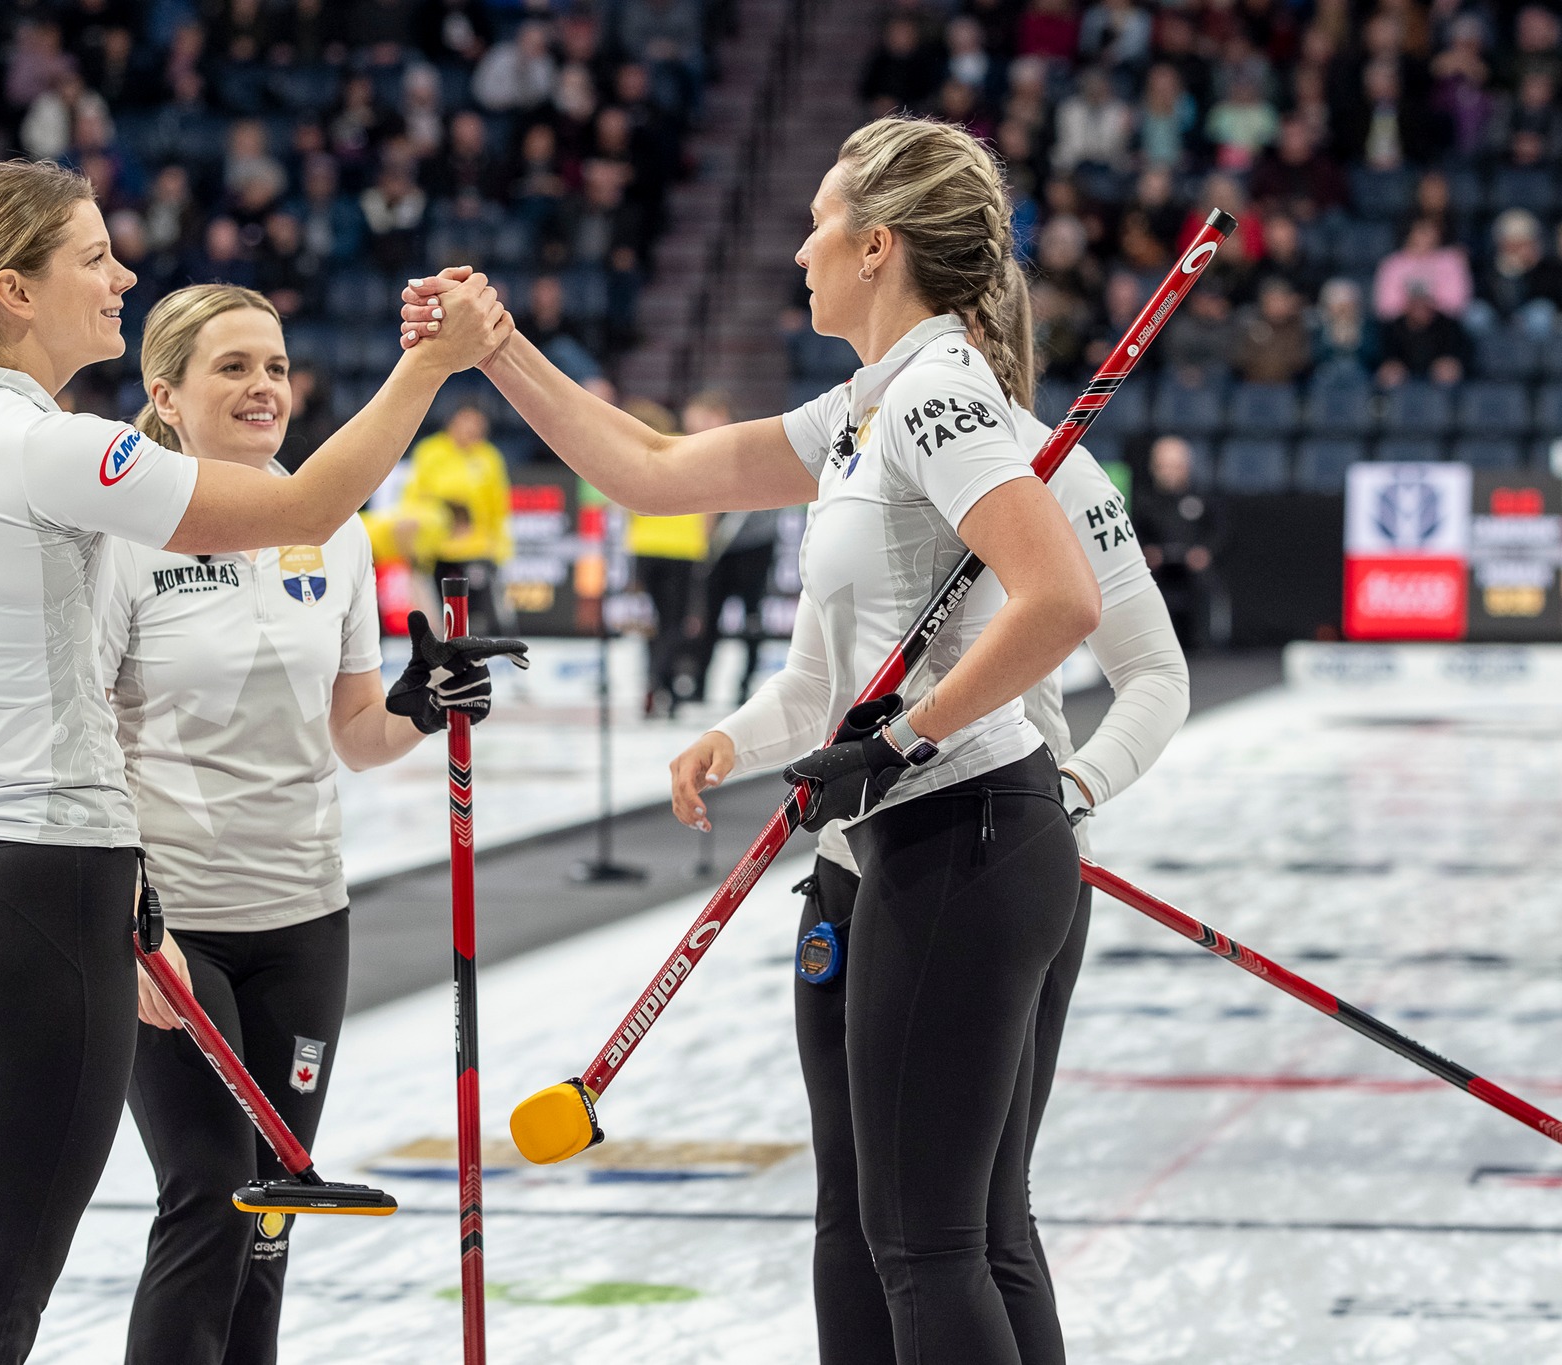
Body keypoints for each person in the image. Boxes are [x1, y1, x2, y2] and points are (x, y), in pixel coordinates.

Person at [0, 159, 509, 1365]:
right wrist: (427, 369)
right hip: (50, 889)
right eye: (94, 257)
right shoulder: (49, 446)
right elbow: (299, 510)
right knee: (10, 1288)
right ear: (16, 290)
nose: (121, 275)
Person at [404, 115, 1102, 1363]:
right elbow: (653, 468)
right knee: (937, 1240)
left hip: (965, 834)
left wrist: (898, 743)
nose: (797, 249)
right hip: (945, 842)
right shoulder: (868, 406)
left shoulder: (937, 397)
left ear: (875, 246)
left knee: (927, 1249)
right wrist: (495, 347)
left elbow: (1060, 600)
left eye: (818, 221)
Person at [672, 293, 1190, 1363]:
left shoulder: (1052, 466)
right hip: (851, 856)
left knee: (969, 1227)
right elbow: (824, 683)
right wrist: (731, 738)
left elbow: (1153, 672)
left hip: (982, 834)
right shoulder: (860, 441)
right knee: (856, 1213)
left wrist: (1074, 790)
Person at [101, 284, 526, 1365]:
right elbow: (81, 737)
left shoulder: (331, 528)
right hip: (172, 926)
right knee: (211, 1196)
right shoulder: (121, 532)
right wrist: (125, 914)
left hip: (301, 917)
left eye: (276, 367)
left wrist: (421, 708)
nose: (263, 388)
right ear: (165, 394)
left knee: (272, 1219)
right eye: (232, 367)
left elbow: (354, 731)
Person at [687, 390, 781, 704]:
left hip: (755, 545)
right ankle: (699, 685)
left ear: (722, 416)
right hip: (719, 551)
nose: (696, 427)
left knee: (752, 617)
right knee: (709, 617)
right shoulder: (697, 451)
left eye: (704, 418)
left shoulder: (745, 444)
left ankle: (745, 684)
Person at [622, 398, 711, 717]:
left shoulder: (634, 454)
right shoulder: (686, 447)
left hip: (645, 547)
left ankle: (663, 687)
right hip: (681, 549)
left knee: (654, 625)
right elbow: (708, 501)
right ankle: (658, 681)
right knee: (674, 624)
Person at [397, 402, 515, 633]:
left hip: (477, 549)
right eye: (466, 421)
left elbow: (499, 507)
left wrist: (499, 548)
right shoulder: (430, 451)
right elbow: (414, 498)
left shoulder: (489, 457)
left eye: (478, 423)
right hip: (436, 550)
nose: (472, 428)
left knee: (480, 622)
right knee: (437, 621)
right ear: (452, 422)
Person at [1132, 435, 1225, 650]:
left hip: (1192, 566)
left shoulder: (1203, 496)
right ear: (1153, 467)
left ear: (1187, 467)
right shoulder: (1142, 499)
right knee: (1140, 583)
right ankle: (1151, 644)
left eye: (1175, 466)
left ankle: (1205, 645)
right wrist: (1145, 551)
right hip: (1157, 567)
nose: (1169, 472)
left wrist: (1206, 551)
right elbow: (1133, 532)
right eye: (1163, 466)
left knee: (1206, 582)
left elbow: (1220, 530)